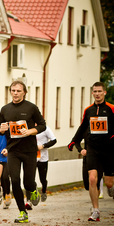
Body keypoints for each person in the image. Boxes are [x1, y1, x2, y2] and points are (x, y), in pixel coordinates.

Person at [0, 80, 46, 223]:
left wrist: (30, 131)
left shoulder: (31, 108)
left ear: (24, 92)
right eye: (13, 90)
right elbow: (0, 129)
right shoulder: (5, 109)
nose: (15, 93)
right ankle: (22, 212)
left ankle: (34, 189)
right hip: (13, 150)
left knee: (28, 182)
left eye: (18, 91)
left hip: (29, 150)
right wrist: (2, 129)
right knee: (15, 181)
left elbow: (42, 125)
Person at [68, 82, 114, 222]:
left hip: (109, 149)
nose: (97, 94)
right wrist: (73, 141)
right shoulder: (88, 110)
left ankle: (110, 187)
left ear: (104, 92)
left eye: (100, 91)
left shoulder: (111, 108)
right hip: (93, 148)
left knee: (109, 183)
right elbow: (83, 127)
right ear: (92, 93)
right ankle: (95, 210)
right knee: (92, 179)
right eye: (95, 91)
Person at [25, 125, 56, 209]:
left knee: (42, 179)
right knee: (29, 179)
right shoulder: (27, 128)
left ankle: (44, 190)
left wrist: (42, 146)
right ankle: (28, 201)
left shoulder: (45, 128)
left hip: (43, 158)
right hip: (31, 157)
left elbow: (54, 140)